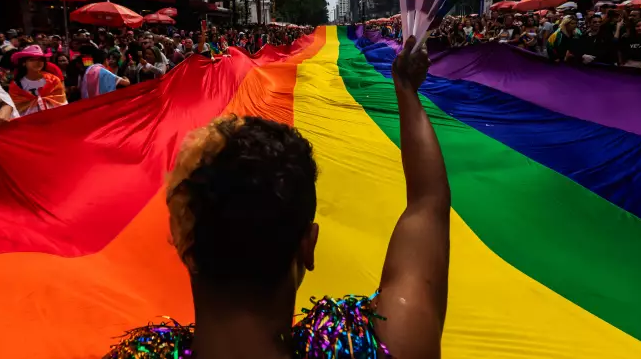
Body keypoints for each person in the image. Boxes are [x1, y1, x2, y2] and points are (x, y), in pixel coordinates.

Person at [106, 35, 448, 359]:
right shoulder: (388, 346)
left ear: (184, 244)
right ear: (308, 246)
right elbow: (427, 205)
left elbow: (427, 206)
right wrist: (406, 89)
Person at [8, 45, 67, 116]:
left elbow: (62, 102)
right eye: (32, 60)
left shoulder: (54, 80)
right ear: (23, 63)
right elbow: (15, 109)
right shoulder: (16, 86)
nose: (37, 62)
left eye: (40, 59)